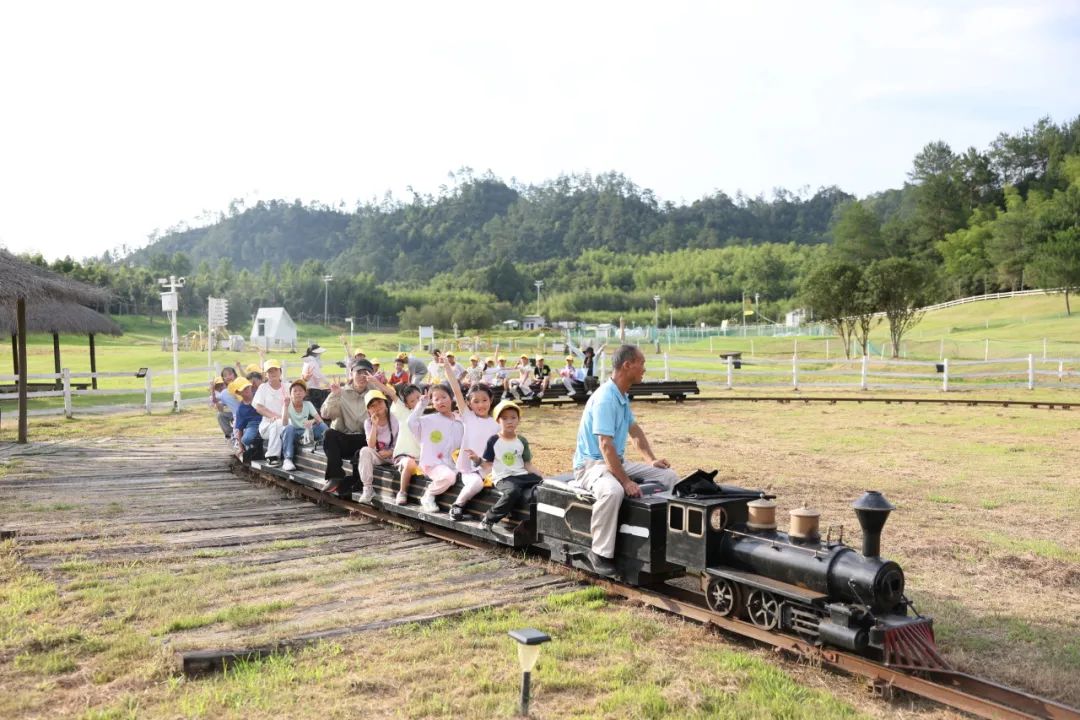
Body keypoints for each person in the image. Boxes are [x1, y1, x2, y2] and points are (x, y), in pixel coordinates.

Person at [571, 344, 678, 577]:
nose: (644, 369)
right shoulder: (605, 399)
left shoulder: (621, 396)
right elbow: (605, 445)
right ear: (627, 365)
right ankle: (599, 553)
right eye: (642, 364)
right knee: (613, 491)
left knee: (669, 477)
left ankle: (662, 540)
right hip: (591, 465)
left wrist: (651, 460)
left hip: (614, 461)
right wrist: (626, 481)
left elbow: (635, 432)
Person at [444, 356, 496, 521]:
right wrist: (447, 367)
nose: (481, 405)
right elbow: (456, 389)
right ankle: (457, 506)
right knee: (476, 483)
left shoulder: (496, 424)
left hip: (490, 468)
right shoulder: (468, 417)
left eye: (484, 400)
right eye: (476, 401)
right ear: (469, 403)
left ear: (491, 400)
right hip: (470, 470)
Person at [479, 400, 543, 532]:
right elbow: (487, 464)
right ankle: (489, 519)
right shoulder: (493, 440)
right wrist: (476, 461)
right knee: (513, 491)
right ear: (498, 421)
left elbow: (527, 464)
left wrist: (543, 477)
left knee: (544, 485)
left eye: (513, 417)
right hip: (503, 477)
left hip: (521, 476)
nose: (509, 421)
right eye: (504, 418)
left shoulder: (522, 440)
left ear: (518, 419)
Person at [319, 358, 375, 495]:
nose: (362, 376)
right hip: (344, 438)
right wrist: (335, 395)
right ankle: (335, 476)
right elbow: (326, 414)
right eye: (359, 372)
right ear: (351, 374)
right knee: (329, 434)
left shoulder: (374, 393)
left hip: (365, 440)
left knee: (368, 444)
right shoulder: (341, 391)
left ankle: (358, 482)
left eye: (366, 373)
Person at [408, 382, 464, 514]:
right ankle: (428, 496)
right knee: (449, 477)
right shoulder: (429, 420)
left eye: (444, 397)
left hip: (454, 464)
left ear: (451, 398)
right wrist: (421, 404)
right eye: (436, 399)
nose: (441, 401)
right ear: (432, 402)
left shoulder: (461, 421)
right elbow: (411, 423)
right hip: (433, 464)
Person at [367, 377, 421, 505]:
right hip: (404, 456)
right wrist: (376, 382)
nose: (418, 402)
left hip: (421, 458)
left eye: (419, 398)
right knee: (409, 463)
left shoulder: (428, 416)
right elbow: (392, 394)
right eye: (413, 401)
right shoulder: (404, 412)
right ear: (406, 404)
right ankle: (402, 492)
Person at [355, 389, 399, 503]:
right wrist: (374, 425)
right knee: (364, 451)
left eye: (379, 402)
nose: (377, 407)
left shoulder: (395, 418)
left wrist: (390, 452)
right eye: (372, 406)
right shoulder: (368, 422)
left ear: (385, 403)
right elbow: (370, 445)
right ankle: (368, 489)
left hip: (396, 454)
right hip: (379, 456)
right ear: (368, 410)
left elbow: (402, 442)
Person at [279, 379, 327, 472]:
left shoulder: (308, 404)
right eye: (295, 391)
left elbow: (320, 420)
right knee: (289, 428)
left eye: (300, 390)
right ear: (290, 394)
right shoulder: (287, 405)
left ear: (305, 393)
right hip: (293, 434)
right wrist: (285, 406)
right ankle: (288, 459)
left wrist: (312, 421)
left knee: (322, 426)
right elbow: (284, 423)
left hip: (306, 433)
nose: (298, 393)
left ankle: (330, 446)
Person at [253, 359, 289, 465]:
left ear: (280, 371)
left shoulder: (288, 386)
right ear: (266, 374)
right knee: (277, 424)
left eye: (275, 370)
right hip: (268, 425)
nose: (273, 373)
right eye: (270, 371)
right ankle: (272, 456)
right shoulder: (263, 388)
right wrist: (275, 417)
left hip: (286, 422)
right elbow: (259, 407)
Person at [229, 378, 260, 459]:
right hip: (253, 425)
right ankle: (253, 447)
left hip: (265, 419)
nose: (247, 390)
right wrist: (240, 447)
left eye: (247, 387)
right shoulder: (241, 409)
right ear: (238, 392)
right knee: (246, 439)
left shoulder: (259, 395)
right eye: (243, 389)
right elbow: (240, 429)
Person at [299, 343, 330, 412]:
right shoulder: (313, 362)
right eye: (319, 354)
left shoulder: (307, 361)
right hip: (313, 390)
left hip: (307, 388)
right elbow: (319, 376)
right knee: (316, 410)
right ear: (316, 353)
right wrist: (328, 383)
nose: (320, 355)